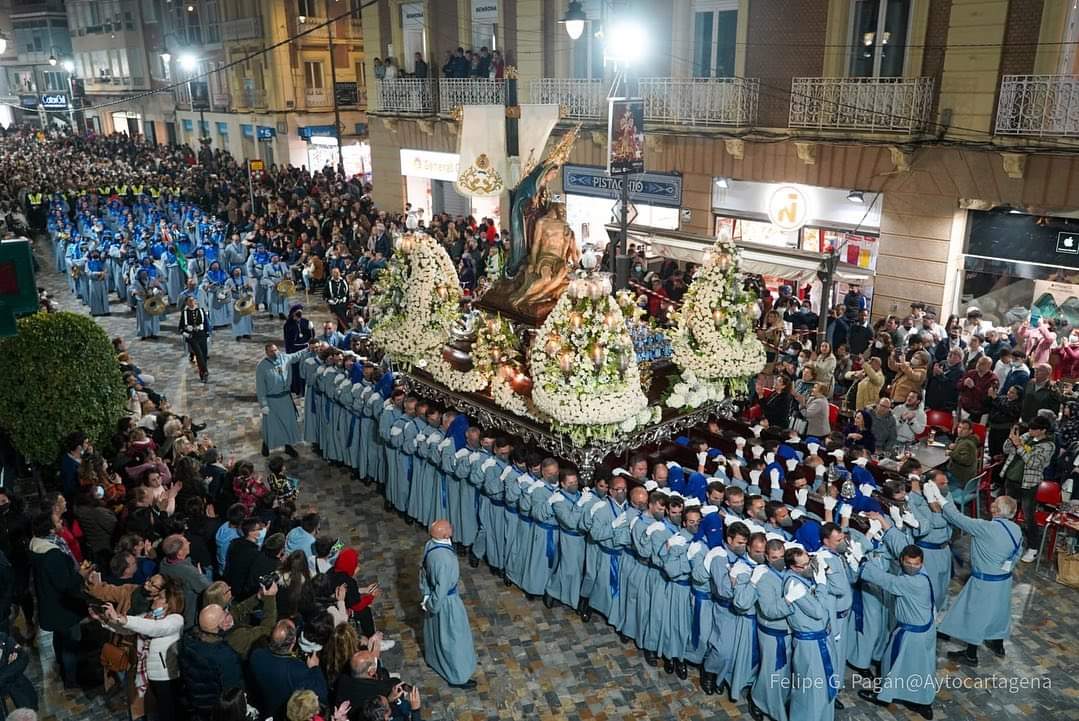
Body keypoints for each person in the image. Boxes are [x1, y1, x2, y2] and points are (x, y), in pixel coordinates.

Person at [855, 517, 937, 721]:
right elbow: (904, 546)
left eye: (915, 564)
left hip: (911, 633)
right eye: (908, 563)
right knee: (921, 667)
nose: (912, 566)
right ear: (902, 561)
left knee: (891, 663)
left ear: (921, 563)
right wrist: (886, 524)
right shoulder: (922, 572)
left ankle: (884, 696)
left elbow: (884, 580)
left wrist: (862, 561)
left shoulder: (909, 583)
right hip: (925, 630)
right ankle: (920, 701)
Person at [931, 488, 1023, 667]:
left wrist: (942, 501)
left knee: (976, 614)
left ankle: (971, 654)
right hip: (1004, 580)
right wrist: (1006, 567)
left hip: (985, 580)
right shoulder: (1016, 529)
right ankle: (997, 645)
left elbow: (958, 518)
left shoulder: (985, 527)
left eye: (994, 504)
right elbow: (1017, 552)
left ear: (996, 510)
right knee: (999, 612)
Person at [91, 576, 186, 721]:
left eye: (159, 597)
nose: (154, 599)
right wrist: (104, 619)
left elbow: (154, 628)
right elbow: (127, 630)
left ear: (168, 604)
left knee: (169, 712)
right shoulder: (149, 616)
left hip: (165, 677)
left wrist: (121, 618)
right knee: (157, 708)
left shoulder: (175, 620)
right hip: (149, 675)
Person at [29, 510, 91, 688]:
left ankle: (63, 668)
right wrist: (81, 575)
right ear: (49, 528)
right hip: (63, 607)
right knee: (70, 644)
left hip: (50, 605)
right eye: (57, 521)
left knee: (60, 638)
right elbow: (64, 584)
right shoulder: (52, 553)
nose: (61, 522)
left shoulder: (36, 545)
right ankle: (71, 679)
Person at [420, 519, 476, 688]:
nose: (452, 526)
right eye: (449, 527)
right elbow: (442, 588)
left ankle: (436, 660)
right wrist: (432, 604)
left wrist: (426, 595)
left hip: (436, 599)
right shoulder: (444, 559)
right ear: (444, 534)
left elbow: (423, 573)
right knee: (453, 637)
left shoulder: (431, 545)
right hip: (446, 603)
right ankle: (457, 676)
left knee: (437, 633)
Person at [1001, 414, 1055, 562]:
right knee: (1006, 513)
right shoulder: (1026, 436)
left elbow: (1032, 463)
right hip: (1012, 479)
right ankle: (1005, 541)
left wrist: (1019, 445)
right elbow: (1006, 450)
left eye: (1034, 429)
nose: (1030, 431)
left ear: (1043, 430)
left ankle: (1033, 548)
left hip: (1028, 485)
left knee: (1028, 516)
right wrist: (1011, 439)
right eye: (1030, 428)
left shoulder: (1048, 446)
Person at [249, 619, 328, 718]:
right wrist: (315, 668)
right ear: (294, 641)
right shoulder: (298, 670)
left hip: (267, 710)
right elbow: (322, 695)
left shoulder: (256, 655)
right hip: (286, 715)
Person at [258, 342, 316, 458]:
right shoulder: (262, 367)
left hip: (285, 398)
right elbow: (260, 387)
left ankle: (288, 446)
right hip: (272, 400)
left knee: (288, 424)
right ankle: (266, 443)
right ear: (266, 353)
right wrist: (263, 404)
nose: (274, 353)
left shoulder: (285, 358)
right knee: (272, 426)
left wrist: (308, 348)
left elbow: (297, 355)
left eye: (275, 350)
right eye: (271, 351)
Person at [179, 295, 211, 383]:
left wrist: (207, 334)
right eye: (190, 301)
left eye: (193, 300)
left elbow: (206, 324)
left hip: (202, 335)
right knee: (199, 354)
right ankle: (205, 371)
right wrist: (187, 334)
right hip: (192, 337)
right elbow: (181, 328)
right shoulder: (185, 313)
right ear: (187, 303)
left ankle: (202, 374)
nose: (192, 303)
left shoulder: (201, 311)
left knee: (204, 355)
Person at [947, 419, 981, 486]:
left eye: (964, 428)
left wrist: (951, 453)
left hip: (960, 479)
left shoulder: (968, 444)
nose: (960, 430)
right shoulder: (962, 439)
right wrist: (955, 447)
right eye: (959, 427)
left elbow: (967, 461)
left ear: (970, 431)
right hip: (959, 473)